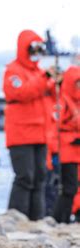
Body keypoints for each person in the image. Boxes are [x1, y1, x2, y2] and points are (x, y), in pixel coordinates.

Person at [3, 29, 60, 220]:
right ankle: (17, 219)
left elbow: (50, 99)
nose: (37, 51)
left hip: (40, 133)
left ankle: (36, 219)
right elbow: (20, 93)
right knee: (25, 178)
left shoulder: (38, 73)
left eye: (40, 47)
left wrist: (55, 82)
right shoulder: (14, 71)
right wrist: (45, 79)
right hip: (21, 135)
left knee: (40, 178)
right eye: (34, 47)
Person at [53, 66, 80, 223]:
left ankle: (65, 219)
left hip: (75, 152)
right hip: (67, 151)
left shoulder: (75, 102)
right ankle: (59, 220)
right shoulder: (62, 101)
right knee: (67, 188)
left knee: (72, 188)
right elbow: (56, 127)